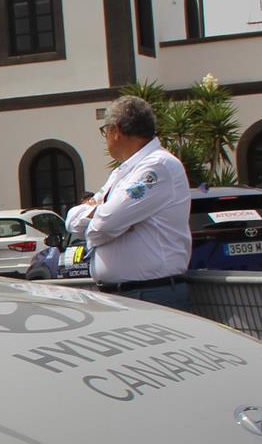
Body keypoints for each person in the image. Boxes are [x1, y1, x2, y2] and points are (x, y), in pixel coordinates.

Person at [64, 96, 192, 306]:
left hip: (152, 293)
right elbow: (72, 221)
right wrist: (112, 221)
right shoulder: (122, 172)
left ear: (116, 130)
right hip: (124, 295)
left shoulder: (157, 166)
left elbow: (105, 223)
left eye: (105, 131)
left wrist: (98, 218)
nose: (106, 138)